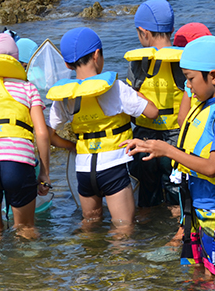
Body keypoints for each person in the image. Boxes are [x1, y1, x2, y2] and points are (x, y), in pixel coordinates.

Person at [122, 36, 215, 278]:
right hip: (196, 207)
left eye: (191, 79)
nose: (188, 86)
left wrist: (167, 150)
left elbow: (213, 166)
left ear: (214, 76)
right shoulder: (203, 106)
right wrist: (148, 144)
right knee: (195, 270)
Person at [47, 27, 158, 230]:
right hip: (113, 167)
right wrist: (137, 93)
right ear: (97, 55)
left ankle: (88, 260)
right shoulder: (115, 87)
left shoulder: (65, 97)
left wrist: (72, 146)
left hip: (83, 169)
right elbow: (152, 112)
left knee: (90, 225)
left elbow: (49, 134)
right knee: (124, 229)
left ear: (67, 64)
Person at [0, 33, 51, 240]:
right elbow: (41, 133)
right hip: (18, 163)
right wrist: (44, 174)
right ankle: (28, 271)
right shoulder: (27, 88)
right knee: (25, 228)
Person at [124, 0, 185, 209]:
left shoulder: (137, 62)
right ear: (172, 30)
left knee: (146, 198)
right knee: (176, 193)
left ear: (144, 32)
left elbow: (130, 105)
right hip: (176, 141)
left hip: (144, 140)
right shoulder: (182, 61)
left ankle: (147, 236)